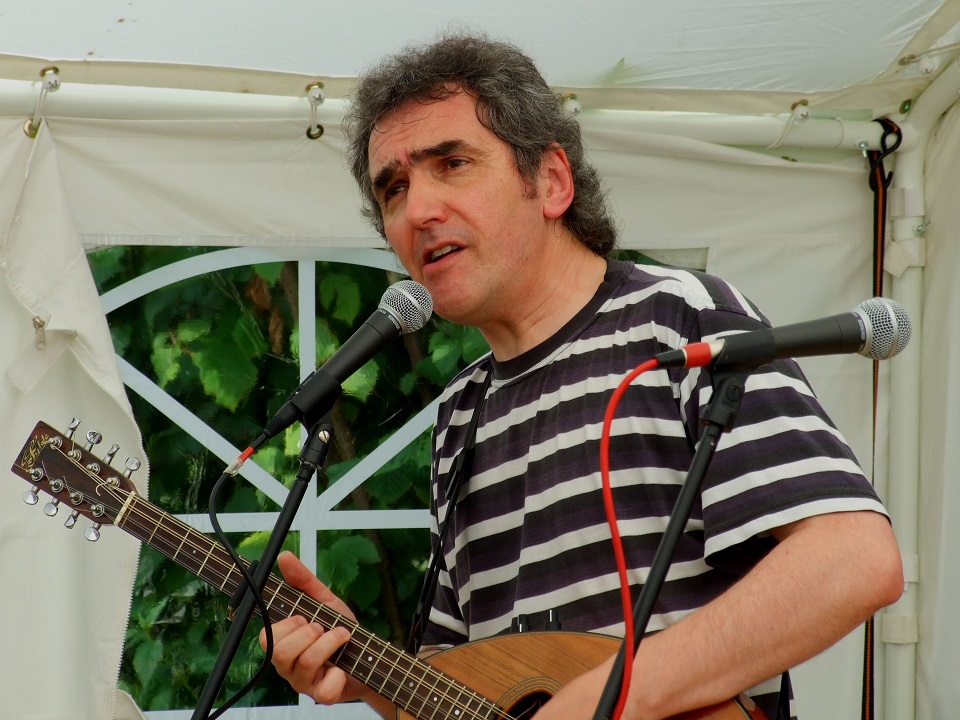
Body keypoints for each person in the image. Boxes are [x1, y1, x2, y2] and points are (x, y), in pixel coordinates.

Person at [261, 33, 904, 719]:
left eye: (452, 163)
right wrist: (367, 674)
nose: (418, 209)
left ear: (551, 182)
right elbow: (469, 696)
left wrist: (607, 698)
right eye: (394, 188)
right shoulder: (460, 415)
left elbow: (853, 559)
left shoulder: (681, 319)